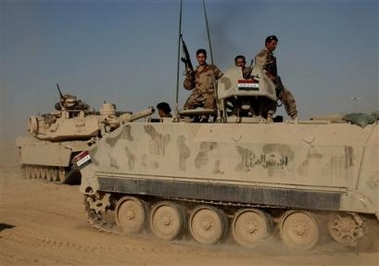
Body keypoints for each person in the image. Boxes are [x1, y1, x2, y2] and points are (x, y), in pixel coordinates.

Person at [255, 35, 298, 119]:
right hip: (265, 81)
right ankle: (292, 116)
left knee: (286, 95)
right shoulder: (262, 54)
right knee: (280, 95)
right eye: (273, 44)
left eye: (276, 44)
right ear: (267, 43)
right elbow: (260, 68)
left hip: (272, 81)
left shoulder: (270, 55)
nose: (275, 46)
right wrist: (270, 77)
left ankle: (293, 115)